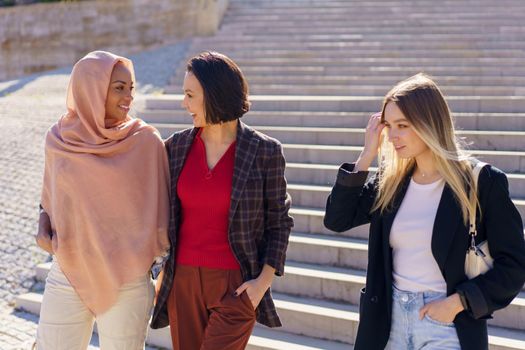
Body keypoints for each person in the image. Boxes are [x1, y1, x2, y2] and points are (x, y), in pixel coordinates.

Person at [323, 73, 525, 350]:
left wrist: (458, 303)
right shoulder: (391, 182)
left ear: (429, 122)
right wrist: (366, 156)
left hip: (446, 323)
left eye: (402, 125)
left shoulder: (482, 181)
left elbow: (514, 264)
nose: (392, 136)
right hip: (388, 321)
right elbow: (337, 220)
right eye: (389, 126)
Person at [150, 51, 294, 350]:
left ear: (214, 94)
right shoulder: (175, 147)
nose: (183, 103)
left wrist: (262, 282)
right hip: (184, 283)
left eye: (190, 95)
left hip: (236, 286)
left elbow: (279, 221)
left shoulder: (265, 151)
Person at [35, 51, 170, 349]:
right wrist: (43, 225)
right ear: (91, 88)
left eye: (131, 88)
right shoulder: (58, 139)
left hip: (127, 275)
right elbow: (50, 199)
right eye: (118, 88)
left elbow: (162, 211)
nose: (128, 97)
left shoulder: (145, 141)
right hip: (69, 268)